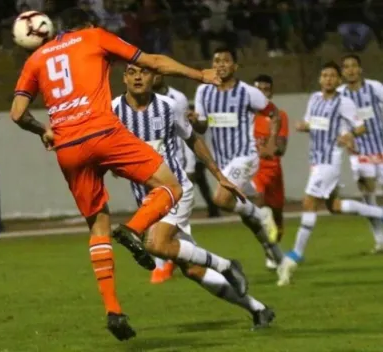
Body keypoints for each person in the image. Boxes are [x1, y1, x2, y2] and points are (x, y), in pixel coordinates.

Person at [9, 8, 244, 341]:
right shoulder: (94, 37)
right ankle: (133, 229)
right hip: (103, 132)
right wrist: (199, 75)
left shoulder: (34, 61)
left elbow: (18, 113)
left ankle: (114, 310)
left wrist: (43, 130)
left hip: (68, 148)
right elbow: (153, 62)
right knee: (170, 186)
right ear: (87, 25)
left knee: (97, 226)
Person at [113, 64, 275, 328]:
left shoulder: (168, 106)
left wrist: (218, 175)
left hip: (176, 190)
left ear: (154, 77)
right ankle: (258, 309)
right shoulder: (113, 111)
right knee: (192, 269)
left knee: (155, 245)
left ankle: (226, 265)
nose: (138, 76)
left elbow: (193, 139)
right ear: (124, 78)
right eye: (132, 72)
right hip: (147, 199)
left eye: (144, 72)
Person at [277, 61, 383, 286]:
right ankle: (379, 212)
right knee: (334, 207)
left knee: (309, 203)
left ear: (338, 81)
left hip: (329, 161)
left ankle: (295, 255)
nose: (328, 79)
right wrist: (303, 126)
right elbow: (311, 122)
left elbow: (361, 126)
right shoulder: (314, 98)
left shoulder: (344, 102)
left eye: (333, 76)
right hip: (315, 160)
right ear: (320, 79)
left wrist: (349, 135)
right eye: (324, 75)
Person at [194, 47, 284, 267]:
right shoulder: (203, 92)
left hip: (245, 156)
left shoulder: (248, 92)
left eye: (226, 61)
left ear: (235, 66)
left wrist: (272, 140)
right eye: (216, 61)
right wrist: (193, 121)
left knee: (221, 200)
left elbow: (274, 114)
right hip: (223, 161)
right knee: (247, 217)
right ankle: (276, 255)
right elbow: (202, 127)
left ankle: (263, 215)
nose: (221, 65)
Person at [149, 74, 204, 284]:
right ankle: (201, 260)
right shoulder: (138, 102)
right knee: (155, 217)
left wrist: (190, 166)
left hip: (175, 168)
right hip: (150, 171)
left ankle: (163, 265)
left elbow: (187, 135)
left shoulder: (176, 99)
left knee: (175, 222)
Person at [338, 54, 383, 254]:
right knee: (368, 195)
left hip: (381, 148)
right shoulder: (339, 94)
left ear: (360, 69)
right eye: (346, 67)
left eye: (354, 66)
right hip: (360, 152)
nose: (350, 70)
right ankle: (380, 240)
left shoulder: (375, 87)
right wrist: (345, 138)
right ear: (342, 71)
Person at [249, 74, 289, 270]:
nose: (262, 93)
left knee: (277, 218)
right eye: (258, 90)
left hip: (274, 171)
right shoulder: (247, 116)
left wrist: (271, 147)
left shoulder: (279, 116)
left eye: (266, 89)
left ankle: (275, 248)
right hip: (255, 169)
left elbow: (281, 148)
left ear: (271, 92)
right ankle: (269, 252)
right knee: (259, 202)